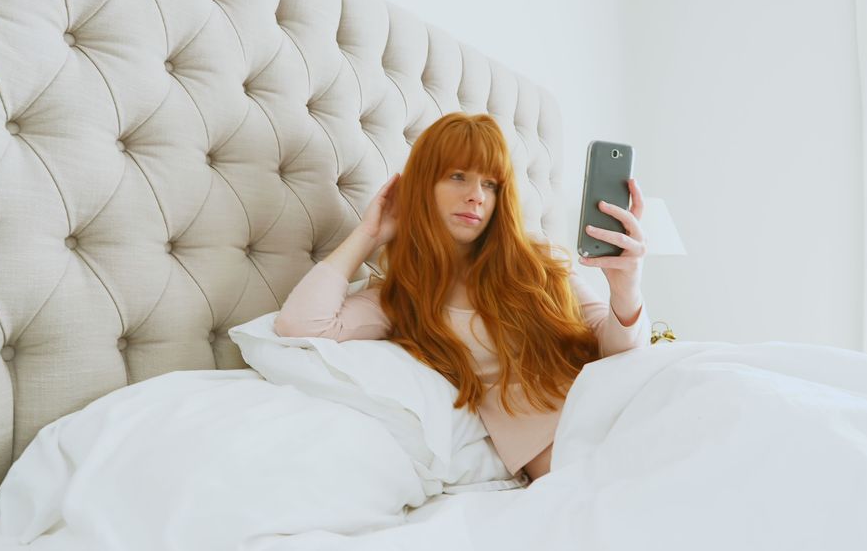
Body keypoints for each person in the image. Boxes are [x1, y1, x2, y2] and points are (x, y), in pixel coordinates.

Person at [274, 112, 651, 482]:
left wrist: (626, 286)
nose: (476, 197)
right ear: (422, 186)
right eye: (457, 177)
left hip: (620, 408)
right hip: (561, 450)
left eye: (490, 184)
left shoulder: (537, 262)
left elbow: (618, 351)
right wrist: (370, 234)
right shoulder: (403, 298)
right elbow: (300, 326)